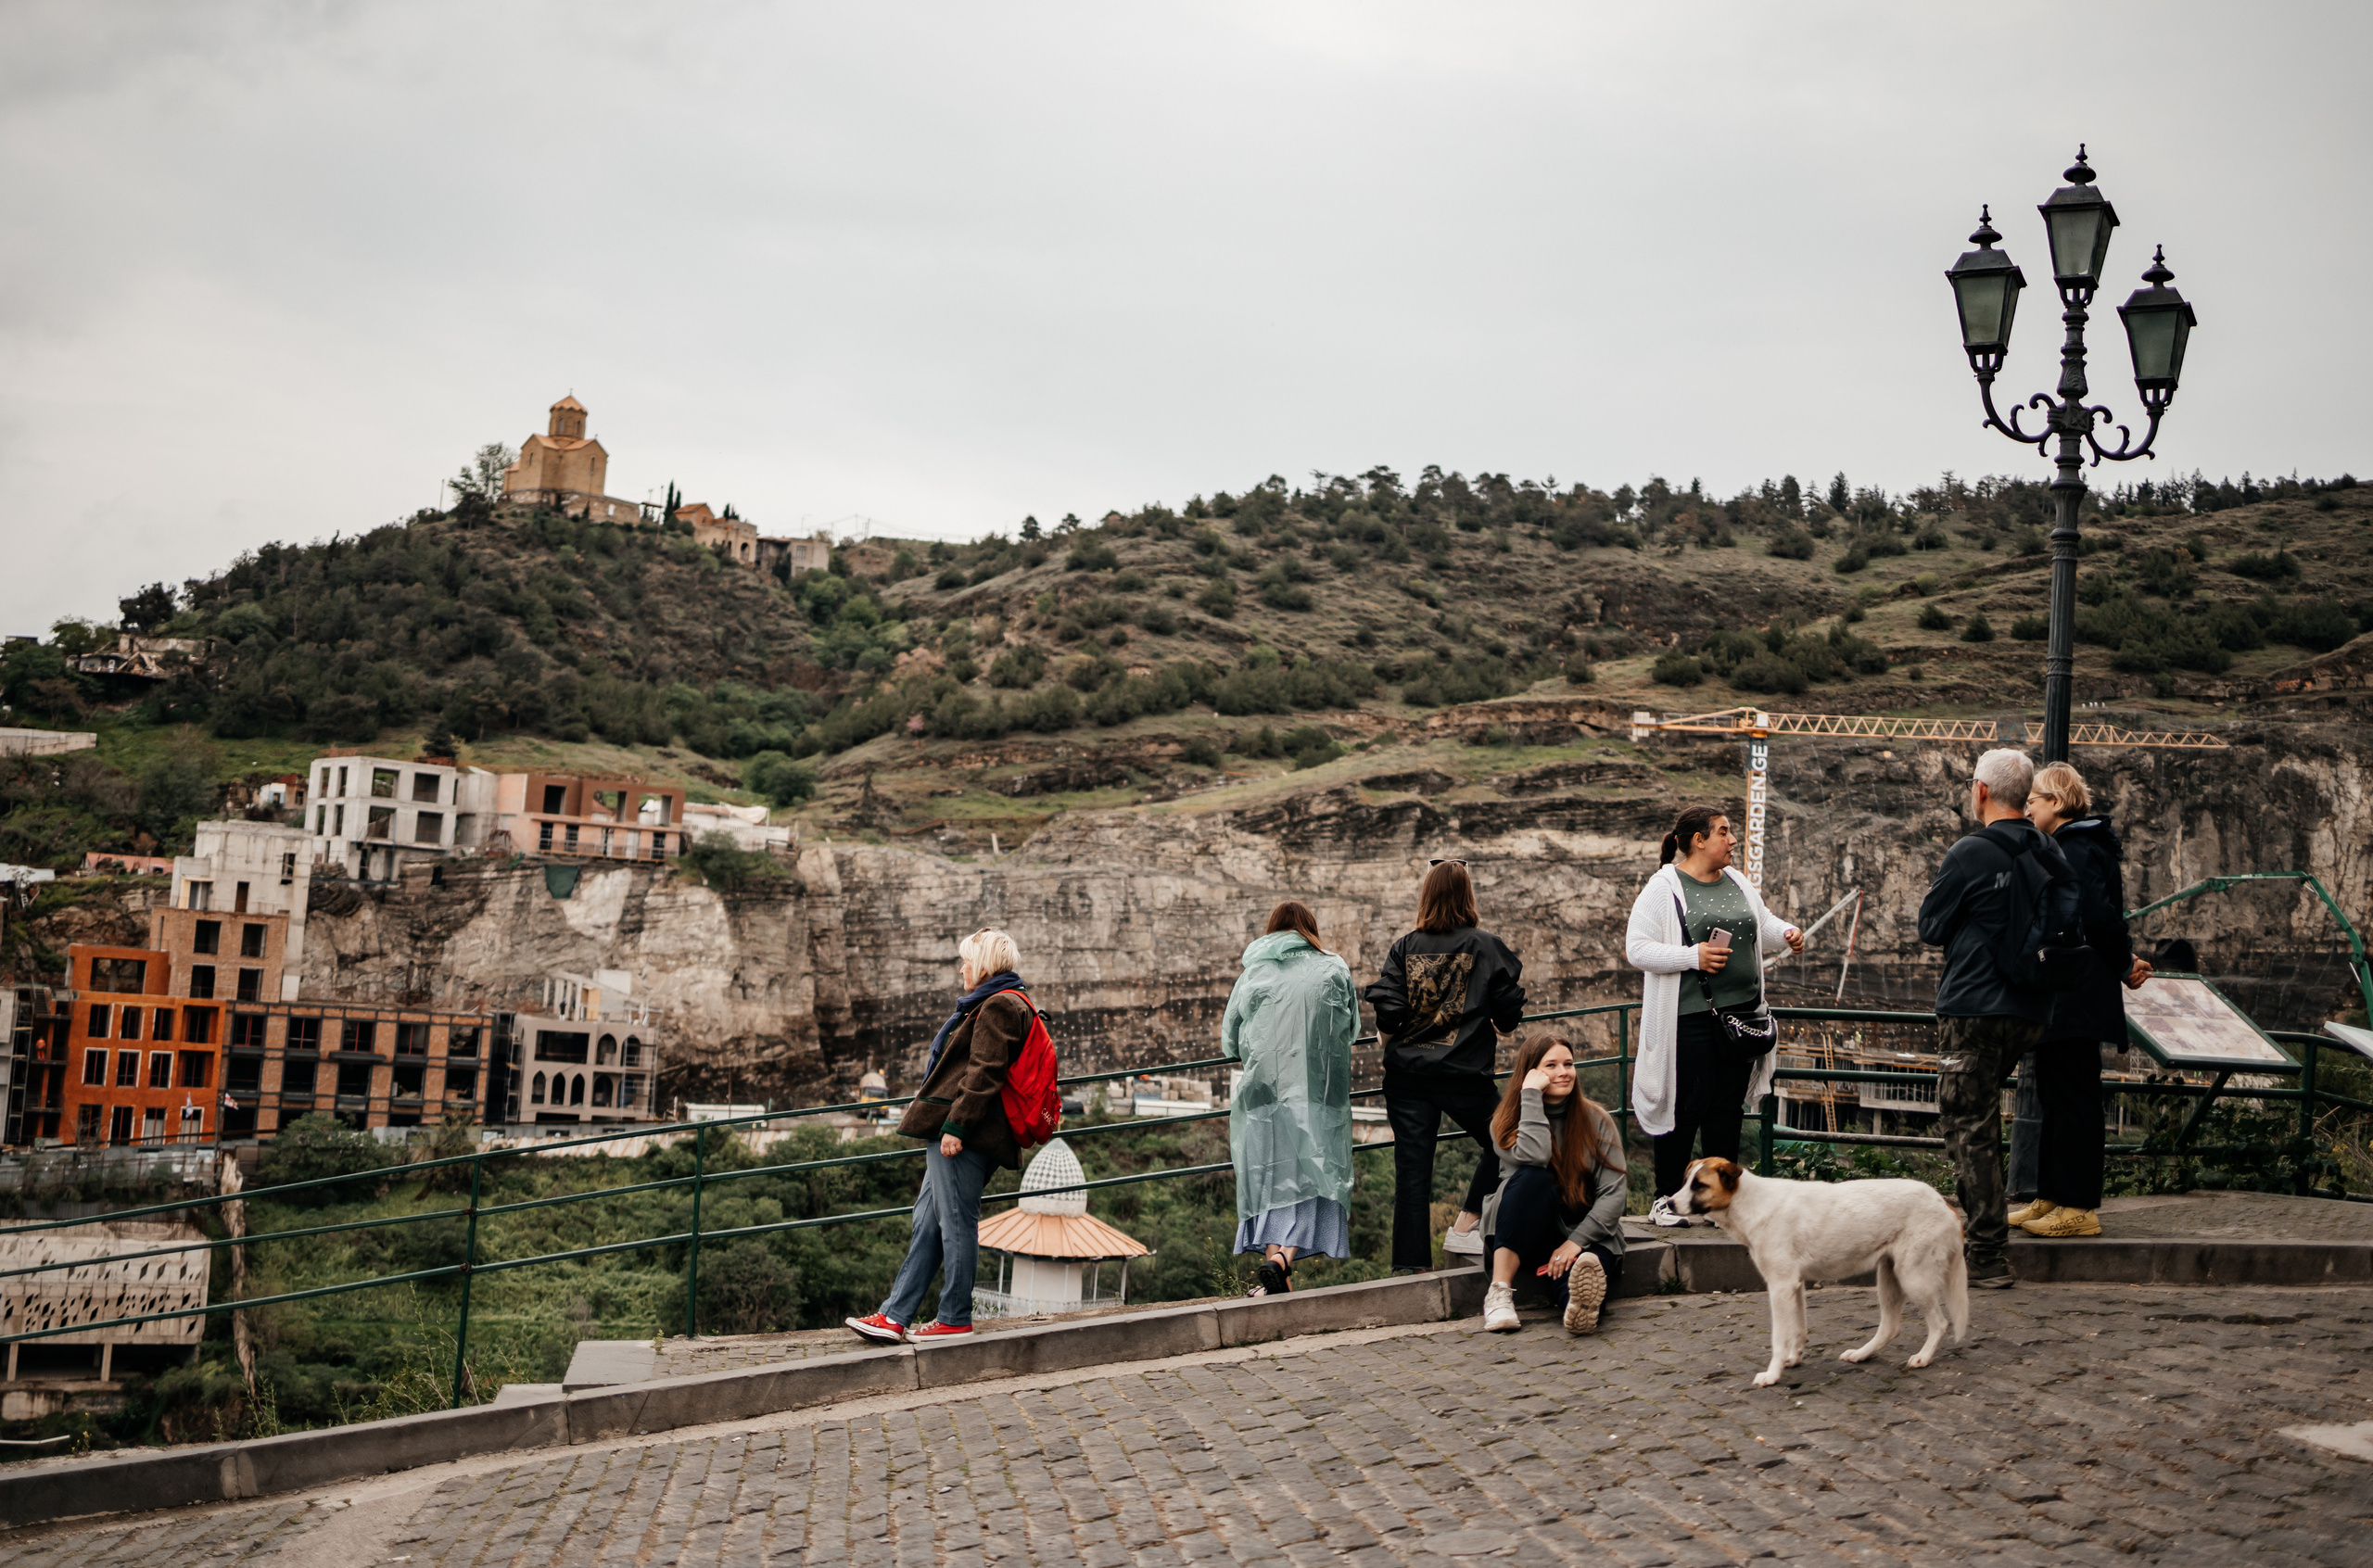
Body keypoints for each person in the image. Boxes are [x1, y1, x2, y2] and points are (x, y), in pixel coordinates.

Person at [1917, 748, 2065, 1289]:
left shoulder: (1969, 852)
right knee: (1983, 1120)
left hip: (1974, 1007)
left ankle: (1986, 1254)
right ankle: (1988, 1237)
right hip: (2033, 1007)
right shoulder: (2049, 847)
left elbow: (1931, 926)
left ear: (1980, 792)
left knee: (1969, 1125)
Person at [846, 928, 1030, 1343]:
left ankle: (954, 1317)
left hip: (964, 1134)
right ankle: (895, 1316)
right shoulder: (996, 1001)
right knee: (928, 1222)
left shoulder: (999, 1005)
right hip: (964, 1131)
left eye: (967, 961)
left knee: (956, 1223)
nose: (961, 969)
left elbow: (984, 1073)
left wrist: (955, 1127)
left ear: (983, 965)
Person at [1624, 806, 1804, 1221]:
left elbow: (1761, 923)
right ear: (1698, 840)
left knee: (1726, 1110)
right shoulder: (1664, 888)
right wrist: (1693, 956)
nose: (1734, 840)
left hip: (1741, 1017)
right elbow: (1637, 948)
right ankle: (1667, 1197)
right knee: (1685, 1108)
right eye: (1724, 832)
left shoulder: (1738, 881)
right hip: (1690, 1020)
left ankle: (1718, 1201)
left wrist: (1788, 934)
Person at [1364, 858, 1528, 1273]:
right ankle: (1466, 1222)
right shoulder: (1486, 946)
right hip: (1463, 1076)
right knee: (1510, 1137)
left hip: (1407, 1077)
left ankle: (1410, 1271)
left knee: (1412, 1173)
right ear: (1468, 896)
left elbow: (1389, 1015)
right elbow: (1509, 1017)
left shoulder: (1404, 946)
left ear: (1427, 895)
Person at [2012, 761, 2151, 1239]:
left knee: (2074, 1100)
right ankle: (2050, 1196)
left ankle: (2080, 1207)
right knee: (2056, 1095)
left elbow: (2097, 914)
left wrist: (2122, 963)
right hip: (2065, 991)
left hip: (2078, 991)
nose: (2027, 805)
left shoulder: (2078, 847)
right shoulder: (2066, 845)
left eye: (2035, 798)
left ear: (2058, 801)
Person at [1222, 901, 1359, 1296]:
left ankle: (1273, 1278)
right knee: (1312, 1180)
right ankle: (1281, 1262)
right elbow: (1351, 1028)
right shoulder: (1333, 968)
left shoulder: (1254, 973)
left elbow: (1230, 1040)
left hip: (1264, 1100)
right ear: (1310, 930)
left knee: (1271, 1183)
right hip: (1318, 1097)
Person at [1478, 1033, 1629, 1335]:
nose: (1564, 1072)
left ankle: (1578, 1306)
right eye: (1552, 1065)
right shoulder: (1505, 1121)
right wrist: (1531, 1096)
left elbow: (1614, 1192)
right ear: (1531, 1072)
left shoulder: (1596, 1119)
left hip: (1582, 1234)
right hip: (1527, 1230)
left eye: (1569, 1064)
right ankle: (1499, 1293)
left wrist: (1575, 1242)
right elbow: (1535, 1157)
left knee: (1584, 1266)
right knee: (1533, 1177)